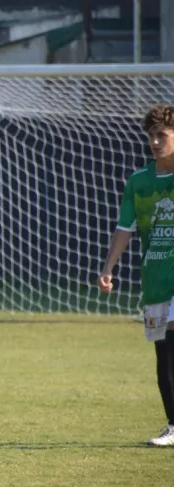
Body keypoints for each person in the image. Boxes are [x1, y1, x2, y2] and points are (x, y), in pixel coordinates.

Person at [99, 104, 174, 447]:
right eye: (151, 136)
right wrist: (108, 268)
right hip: (154, 280)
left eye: (163, 135)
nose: (155, 142)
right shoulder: (139, 181)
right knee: (163, 354)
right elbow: (124, 227)